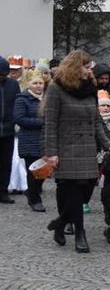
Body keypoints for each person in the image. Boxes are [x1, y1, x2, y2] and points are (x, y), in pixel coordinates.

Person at [42, 50, 110, 252]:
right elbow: (50, 123)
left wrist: (109, 145)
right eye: (86, 67)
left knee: (85, 190)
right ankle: (80, 233)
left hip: (87, 149)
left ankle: (60, 223)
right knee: (75, 191)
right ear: (76, 67)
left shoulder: (90, 88)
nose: (90, 70)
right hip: (66, 148)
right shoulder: (56, 89)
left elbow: (96, 121)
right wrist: (51, 152)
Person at [14, 69, 47, 211]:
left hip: (45, 139)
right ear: (28, 85)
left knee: (44, 170)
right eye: (35, 83)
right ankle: (34, 199)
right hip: (30, 140)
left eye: (40, 83)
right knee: (34, 171)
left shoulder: (47, 98)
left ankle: (33, 192)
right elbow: (20, 119)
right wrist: (42, 122)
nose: (39, 86)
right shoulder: (22, 99)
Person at [0, 56, 18, 203]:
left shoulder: (12, 84)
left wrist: (13, 122)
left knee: (6, 163)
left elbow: (16, 105)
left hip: (8, 131)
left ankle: (3, 192)